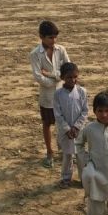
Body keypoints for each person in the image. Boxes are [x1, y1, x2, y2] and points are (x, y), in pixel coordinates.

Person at [29, 20, 70, 168]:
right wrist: (58, 78)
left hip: (64, 94)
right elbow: (38, 77)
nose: (53, 41)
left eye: (55, 37)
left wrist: (51, 74)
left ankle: (66, 150)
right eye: (50, 37)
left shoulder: (61, 50)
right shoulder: (35, 54)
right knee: (47, 124)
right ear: (41, 36)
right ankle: (49, 152)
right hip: (47, 97)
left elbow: (69, 70)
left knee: (65, 123)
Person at [53, 62, 88, 189]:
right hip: (65, 132)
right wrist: (67, 128)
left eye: (75, 77)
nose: (73, 80)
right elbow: (57, 114)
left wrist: (77, 126)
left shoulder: (82, 92)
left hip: (79, 131)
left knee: (81, 156)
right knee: (67, 155)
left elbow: (85, 111)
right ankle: (66, 178)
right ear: (62, 77)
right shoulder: (58, 94)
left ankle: (84, 179)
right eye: (69, 77)